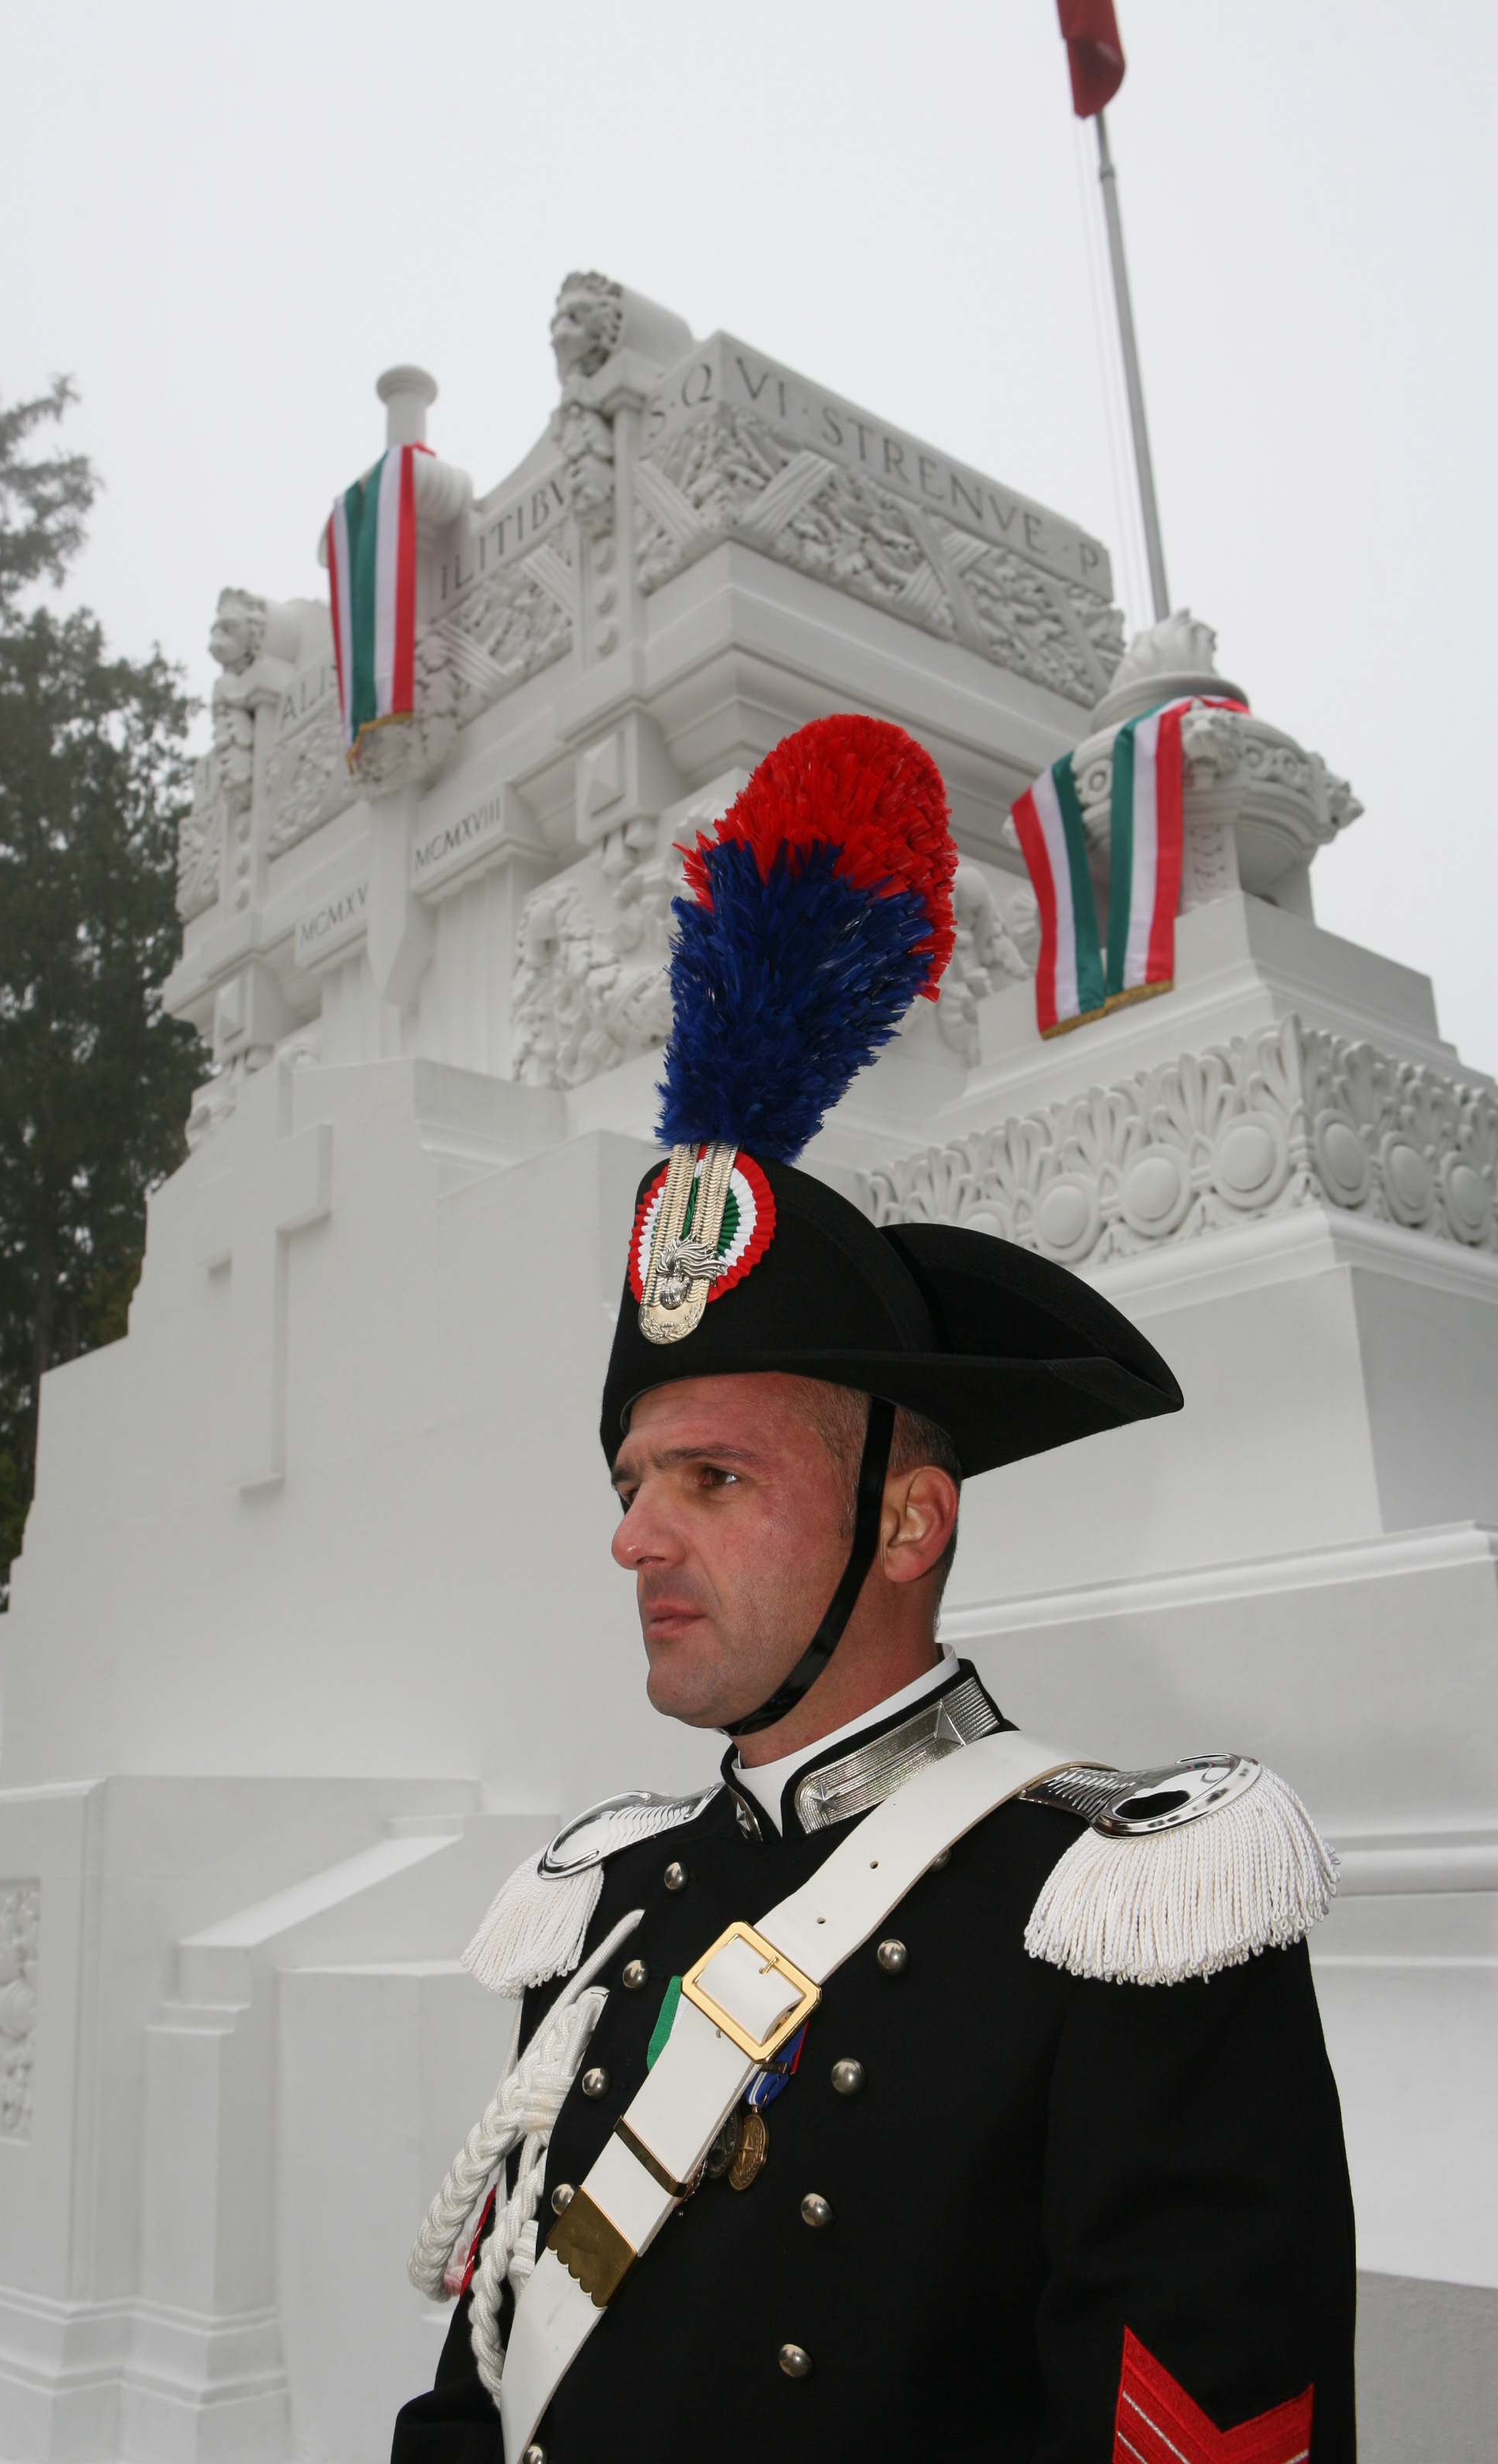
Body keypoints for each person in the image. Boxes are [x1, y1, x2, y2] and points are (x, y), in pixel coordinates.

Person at [396, 717, 1356, 2464]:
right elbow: (487, 2394)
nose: (632, 1539)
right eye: (633, 1482)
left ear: (908, 1524)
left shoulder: (1126, 1924)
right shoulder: (602, 1914)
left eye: (714, 1479)